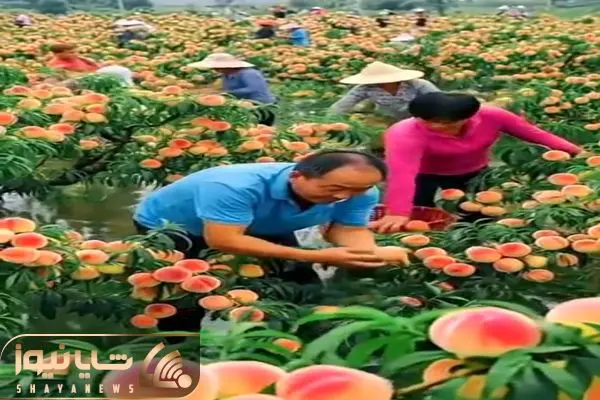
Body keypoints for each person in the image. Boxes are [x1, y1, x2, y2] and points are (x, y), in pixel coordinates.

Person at [370, 92, 583, 233]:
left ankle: (471, 240)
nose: (431, 125)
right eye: (424, 120)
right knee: (419, 211)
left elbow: (535, 134)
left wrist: (577, 153)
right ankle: (421, 246)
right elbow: (402, 173)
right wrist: (398, 210)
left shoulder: (492, 116)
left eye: (440, 122)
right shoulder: (404, 133)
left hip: (472, 169)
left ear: (466, 118)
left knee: (478, 211)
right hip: (423, 173)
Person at [331, 61, 439, 121]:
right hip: (388, 119)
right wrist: (330, 120)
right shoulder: (365, 88)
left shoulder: (418, 84)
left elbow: (440, 101)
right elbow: (342, 105)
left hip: (420, 118)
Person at [189, 53, 277, 125]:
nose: (215, 70)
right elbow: (226, 89)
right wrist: (213, 92)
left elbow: (253, 88)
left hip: (260, 105)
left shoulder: (249, 73)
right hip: (243, 104)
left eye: (217, 67)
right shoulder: (226, 75)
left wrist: (225, 93)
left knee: (258, 128)